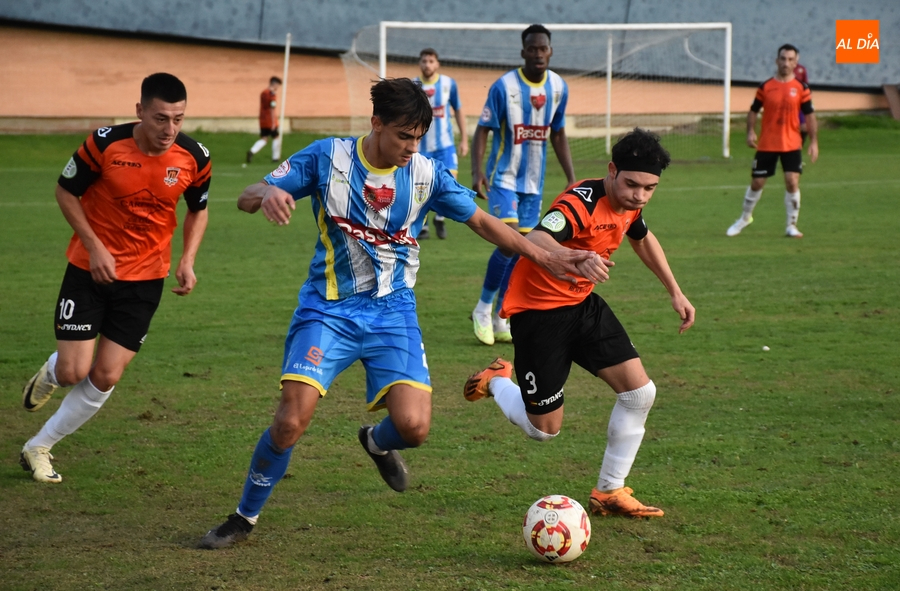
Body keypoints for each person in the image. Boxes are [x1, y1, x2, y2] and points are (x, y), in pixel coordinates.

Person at [198, 78, 592, 549]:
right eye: (403, 135)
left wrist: (545, 256)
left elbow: (485, 223)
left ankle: (375, 441)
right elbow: (248, 193)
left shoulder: (427, 173)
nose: (411, 147)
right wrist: (268, 194)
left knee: (415, 428)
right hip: (328, 310)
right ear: (376, 123)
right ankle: (243, 517)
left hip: (394, 314)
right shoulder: (328, 158)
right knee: (290, 420)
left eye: (418, 137)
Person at [464, 128, 694, 519]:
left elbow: (642, 236)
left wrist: (675, 290)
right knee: (543, 430)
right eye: (632, 184)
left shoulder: (630, 202)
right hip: (538, 316)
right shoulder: (582, 201)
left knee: (639, 394)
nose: (639, 195)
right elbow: (538, 236)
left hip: (583, 306)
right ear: (611, 171)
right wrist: (576, 255)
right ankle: (498, 378)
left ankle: (610, 490)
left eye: (649, 188)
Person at [19, 73, 212, 484]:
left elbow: (198, 208)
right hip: (90, 270)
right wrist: (93, 246)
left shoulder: (194, 157)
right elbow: (65, 191)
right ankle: (53, 371)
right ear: (139, 111)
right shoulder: (104, 144)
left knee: (105, 375)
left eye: (178, 119)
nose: (170, 130)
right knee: (74, 371)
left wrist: (187, 259)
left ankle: (39, 446)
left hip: (146, 279)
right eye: (161, 118)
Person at [470, 23, 575, 345]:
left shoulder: (559, 87)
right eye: (532, 48)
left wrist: (572, 178)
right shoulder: (504, 87)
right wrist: (477, 171)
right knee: (508, 240)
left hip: (534, 183)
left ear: (550, 51)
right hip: (503, 177)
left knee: (521, 251)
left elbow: (557, 132)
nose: (538, 54)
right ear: (523, 52)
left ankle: (503, 317)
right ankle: (483, 308)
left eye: (543, 48)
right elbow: (483, 129)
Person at [726, 44, 818, 238]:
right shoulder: (766, 87)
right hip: (768, 142)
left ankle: (791, 225)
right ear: (777, 61)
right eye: (783, 59)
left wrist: (814, 141)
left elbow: (810, 116)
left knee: (792, 181)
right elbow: (753, 110)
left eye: (790, 59)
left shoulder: (801, 88)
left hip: (792, 143)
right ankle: (744, 218)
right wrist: (750, 131)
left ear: (796, 63)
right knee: (757, 182)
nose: (786, 63)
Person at [415, 48, 468, 240]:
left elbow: (459, 110)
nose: (427, 64)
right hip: (421, 147)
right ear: (419, 64)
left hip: (445, 146)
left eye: (431, 61)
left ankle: (440, 216)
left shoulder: (448, 84)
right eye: (424, 61)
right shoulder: (414, 85)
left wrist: (463, 139)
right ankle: (424, 225)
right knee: (422, 185)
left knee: (449, 179)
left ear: (437, 64)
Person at [246, 76, 282, 164]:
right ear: (274, 84)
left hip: (263, 120)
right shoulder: (271, 94)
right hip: (270, 120)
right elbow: (272, 108)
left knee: (264, 139)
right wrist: (274, 123)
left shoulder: (263, 92)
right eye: (278, 85)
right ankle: (275, 158)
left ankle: (252, 151)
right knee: (276, 137)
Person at [793, 61, 810, 145]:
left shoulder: (801, 69)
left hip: (800, 101)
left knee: (804, 126)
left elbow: (806, 84)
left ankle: (800, 144)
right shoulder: (785, 70)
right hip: (790, 102)